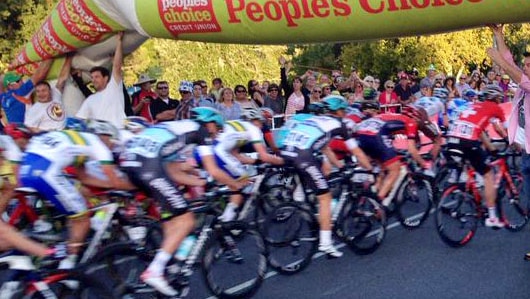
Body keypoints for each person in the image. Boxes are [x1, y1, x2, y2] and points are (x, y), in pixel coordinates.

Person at [120, 111, 222, 296]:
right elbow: (213, 170)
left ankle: (169, 266)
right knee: (187, 221)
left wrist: (202, 183)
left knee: (172, 222)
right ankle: (155, 270)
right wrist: (237, 184)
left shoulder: (176, 129)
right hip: (147, 167)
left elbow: (173, 172)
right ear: (210, 124)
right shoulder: (200, 130)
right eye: (218, 128)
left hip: (131, 164)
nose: (218, 133)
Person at [19, 118, 134, 269]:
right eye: (112, 140)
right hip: (46, 173)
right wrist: (138, 186)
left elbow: (84, 177)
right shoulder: (98, 145)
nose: (113, 145)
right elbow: (116, 182)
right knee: (82, 218)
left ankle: (54, 234)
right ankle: (68, 266)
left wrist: (108, 186)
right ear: (103, 135)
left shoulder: (73, 139)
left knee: (74, 210)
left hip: (24, 171)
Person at [279, 95, 372, 258]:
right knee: (325, 197)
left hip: (286, 152)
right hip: (302, 156)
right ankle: (325, 243)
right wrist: (370, 169)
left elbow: (325, 149)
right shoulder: (340, 125)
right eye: (344, 111)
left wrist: (341, 166)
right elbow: (356, 151)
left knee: (310, 188)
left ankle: (302, 212)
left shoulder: (316, 120)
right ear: (340, 111)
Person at [487, 23, 530, 238]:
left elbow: (514, 74)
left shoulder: (527, 83)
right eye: (526, 64)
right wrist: (499, 35)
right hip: (526, 152)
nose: (526, 67)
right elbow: (512, 63)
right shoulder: (525, 82)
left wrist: (499, 61)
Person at [446, 84, 508, 228]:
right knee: (487, 174)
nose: (500, 101)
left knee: (472, 166)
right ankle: (492, 217)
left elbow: (479, 131)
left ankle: (464, 190)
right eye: (500, 98)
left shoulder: (474, 106)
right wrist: (515, 144)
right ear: (496, 98)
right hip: (467, 141)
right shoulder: (495, 108)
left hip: (452, 139)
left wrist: (491, 148)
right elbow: (505, 130)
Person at [76, 32, 126, 129]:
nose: (93, 80)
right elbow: (80, 120)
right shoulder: (90, 100)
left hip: (120, 133)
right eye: (92, 77)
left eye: (97, 77)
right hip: (102, 138)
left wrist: (119, 42)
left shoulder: (114, 88)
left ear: (106, 78)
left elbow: (117, 66)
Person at [24, 55, 73, 132]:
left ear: (50, 91)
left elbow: (63, 78)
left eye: (44, 90)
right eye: (38, 91)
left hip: (65, 132)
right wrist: (49, 133)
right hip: (51, 138)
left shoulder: (55, 95)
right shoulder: (34, 110)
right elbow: (29, 128)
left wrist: (69, 57)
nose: (41, 94)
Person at [1, 60, 52, 125]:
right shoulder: (21, 91)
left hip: (14, 129)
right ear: (10, 86)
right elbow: (40, 75)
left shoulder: (3, 97)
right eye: (17, 81)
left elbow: (1, 81)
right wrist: (50, 55)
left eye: (20, 79)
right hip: (25, 129)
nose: (22, 81)